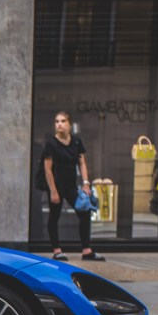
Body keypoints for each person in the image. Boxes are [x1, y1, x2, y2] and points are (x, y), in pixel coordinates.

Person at [42, 111, 104, 261]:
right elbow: (47, 169)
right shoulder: (51, 143)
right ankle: (57, 251)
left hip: (71, 186)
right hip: (55, 185)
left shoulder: (76, 141)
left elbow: (82, 163)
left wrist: (86, 184)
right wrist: (53, 191)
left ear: (70, 124)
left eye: (63, 121)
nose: (59, 124)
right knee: (54, 216)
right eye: (57, 121)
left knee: (84, 213)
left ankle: (86, 251)